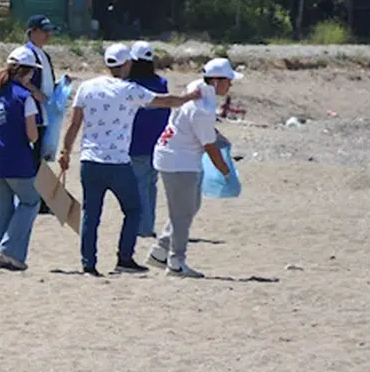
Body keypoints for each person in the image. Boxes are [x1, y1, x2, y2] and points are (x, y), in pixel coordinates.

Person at [59, 43, 201, 276]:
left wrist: (65, 152)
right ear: (127, 64)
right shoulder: (130, 90)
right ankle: (124, 258)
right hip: (117, 162)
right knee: (133, 209)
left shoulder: (87, 87)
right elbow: (165, 101)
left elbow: (74, 124)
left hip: (89, 160)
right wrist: (191, 97)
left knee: (91, 215)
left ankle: (88, 264)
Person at [148, 58, 240, 278]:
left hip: (176, 156)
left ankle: (161, 250)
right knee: (182, 215)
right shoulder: (203, 110)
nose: (231, 85)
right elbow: (209, 146)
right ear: (216, 81)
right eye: (228, 80)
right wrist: (226, 172)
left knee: (189, 207)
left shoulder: (197, 87)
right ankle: (176, 262)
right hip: (178, 161)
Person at [0, 48, 44, 271]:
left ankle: (0, 256)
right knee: (31, 201)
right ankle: (8, 250)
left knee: (2, 208)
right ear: (27, 73)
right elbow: (32, 135)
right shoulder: (24, 97)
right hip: (17, 158)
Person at [127, 41, 169, 238]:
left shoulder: (130, 86)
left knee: (139, 184)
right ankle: (148, 223)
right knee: (150, 184)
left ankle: (142, 227)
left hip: (135, 141)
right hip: (158, 141)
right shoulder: (161, 84)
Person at [21, 15, 58, 213]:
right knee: (34, 157)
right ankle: (39, 200)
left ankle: (43, 200)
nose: (48, 35)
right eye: (44, 31)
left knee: (41, 157)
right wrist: (37, 94)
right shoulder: (27, 54)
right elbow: (21, 79)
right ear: (33, 31)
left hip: (45, 113)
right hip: (33, 113)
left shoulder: (43, 54)